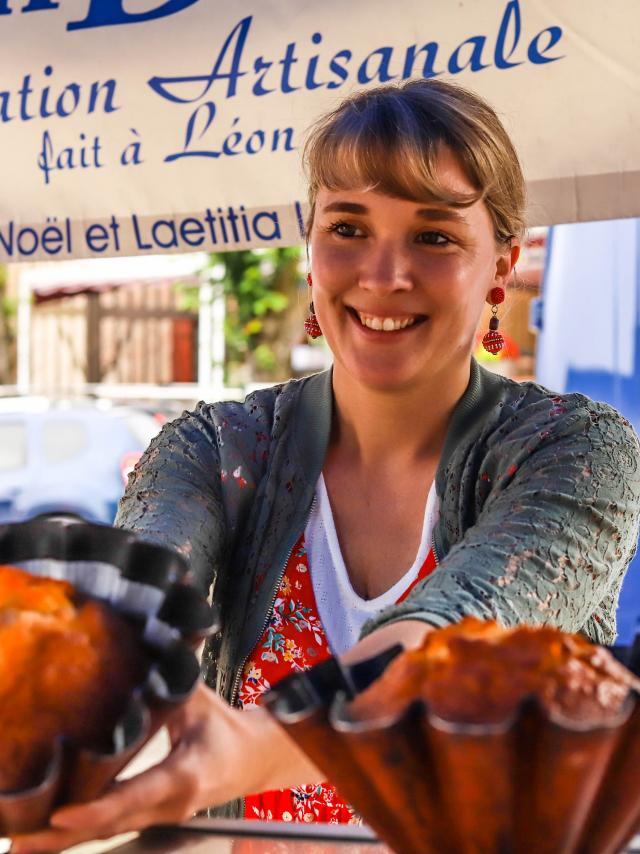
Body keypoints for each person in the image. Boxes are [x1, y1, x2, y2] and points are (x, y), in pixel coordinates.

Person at [12, 79, 640, 853]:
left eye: (434, 236)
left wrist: (245, 750)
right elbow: (140, 594)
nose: (383, 275)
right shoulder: (211, 448)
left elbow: (449, 645)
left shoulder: (578, 452)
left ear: (501, 268)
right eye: (348, 227)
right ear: (310, 250)